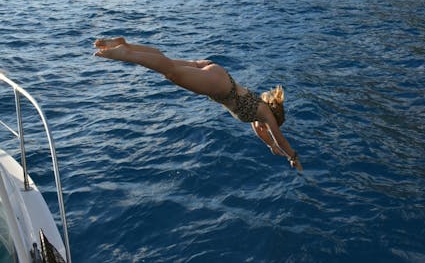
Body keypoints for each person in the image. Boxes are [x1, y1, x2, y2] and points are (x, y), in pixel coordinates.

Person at [94, 37, 303, 171]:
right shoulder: (264, 113)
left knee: (169, 64)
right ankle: (127, 55)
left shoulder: (258, 117)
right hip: (219, 85)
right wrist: (293, 157)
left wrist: (272, 147)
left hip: (214, 71)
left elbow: (265, 136)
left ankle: (126, 45)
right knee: (170, 72)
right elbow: (280, 138)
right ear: (275, 118)